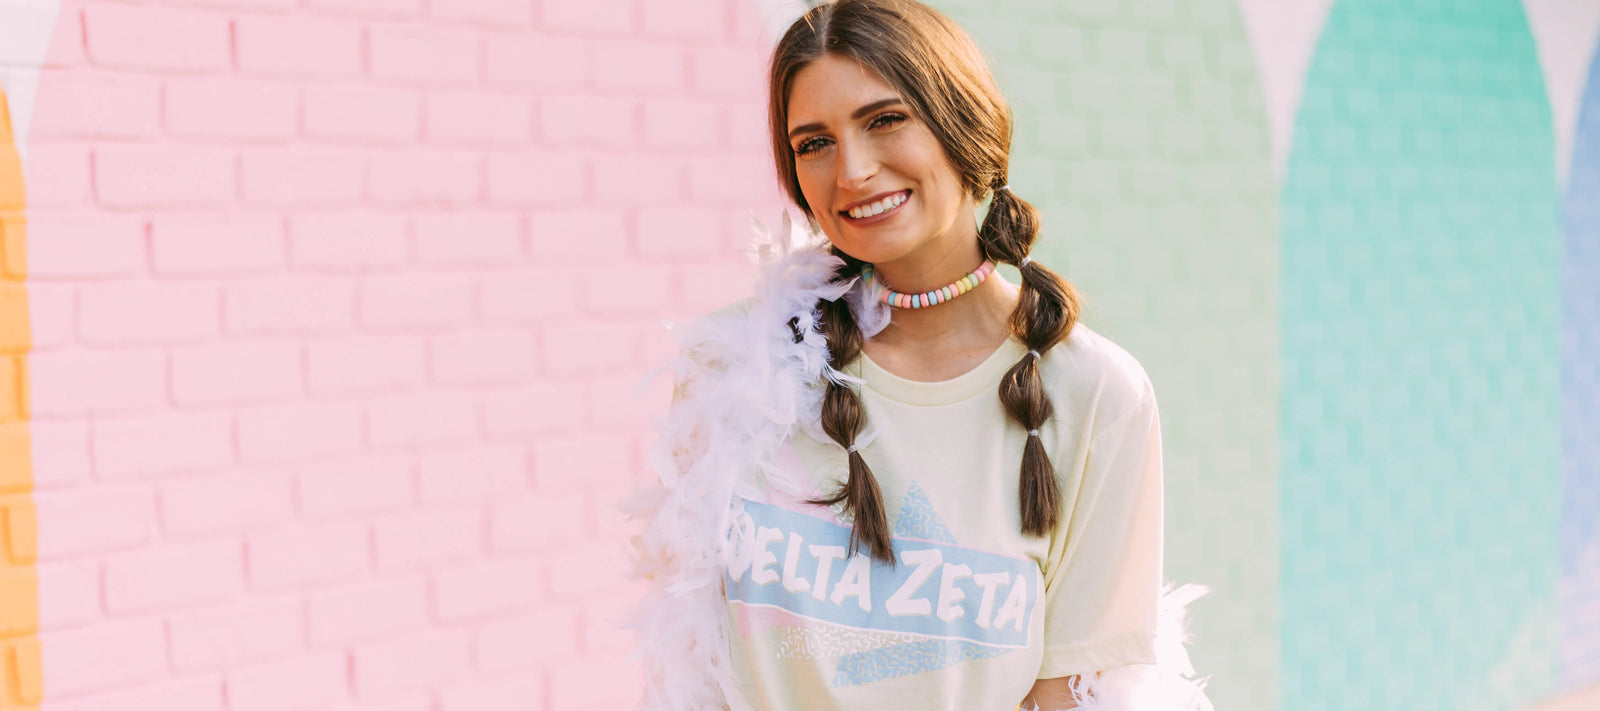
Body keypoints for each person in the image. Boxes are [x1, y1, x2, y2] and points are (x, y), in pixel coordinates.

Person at [625, 1, 1212, 710]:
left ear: (962, 120)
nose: (854, 171)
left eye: (885, 119)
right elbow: (695, 661)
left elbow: (1073, 694)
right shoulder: (733, 371)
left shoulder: (1096, 394)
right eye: (814, 143)